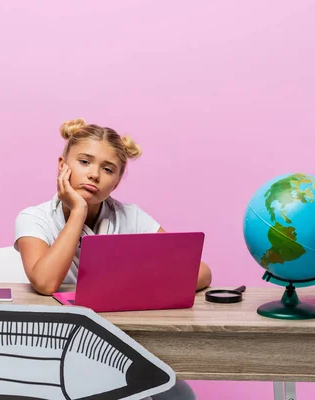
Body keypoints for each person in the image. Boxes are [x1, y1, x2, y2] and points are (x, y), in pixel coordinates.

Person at [14, 118, 211, 399]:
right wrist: (78, 211)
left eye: (108, 169)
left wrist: (128, 288)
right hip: (60, 348)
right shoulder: (34, 218)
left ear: (117, 181)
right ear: (62, 165)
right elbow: (45, 282)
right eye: (84, 162)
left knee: (180, 395)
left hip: (124, 343)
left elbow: (201, 273)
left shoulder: (130, 216)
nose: (94, 175)